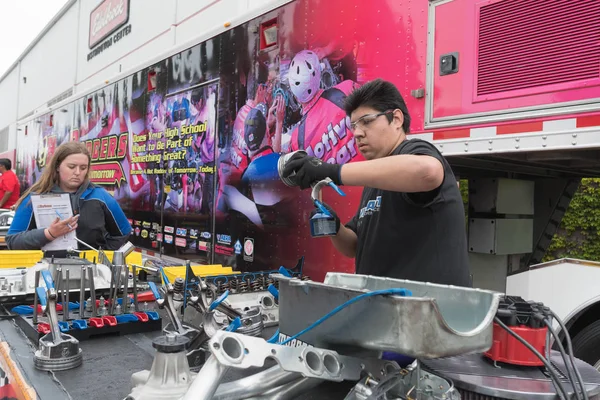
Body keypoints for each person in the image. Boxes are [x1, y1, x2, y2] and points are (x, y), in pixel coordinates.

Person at [281, 79, 471, 287]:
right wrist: (333, 226)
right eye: (353, 125)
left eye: (367, 121)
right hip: (384, 311)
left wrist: (331, 171)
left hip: (427, 312)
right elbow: (354, 246)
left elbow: (428, 172)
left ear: (396, 119)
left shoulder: (413, 151)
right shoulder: (376, 179)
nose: (357, 133)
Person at [7, 142, 132, 251]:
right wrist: (48, 234)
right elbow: (13, 241)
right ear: (57, 167)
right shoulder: (34, 198)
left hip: (91, 272)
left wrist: (101, 255)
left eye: (83, 168)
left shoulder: (100, 196)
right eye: (71, 167)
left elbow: (123, 232)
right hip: (44, 270)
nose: (77, 172)